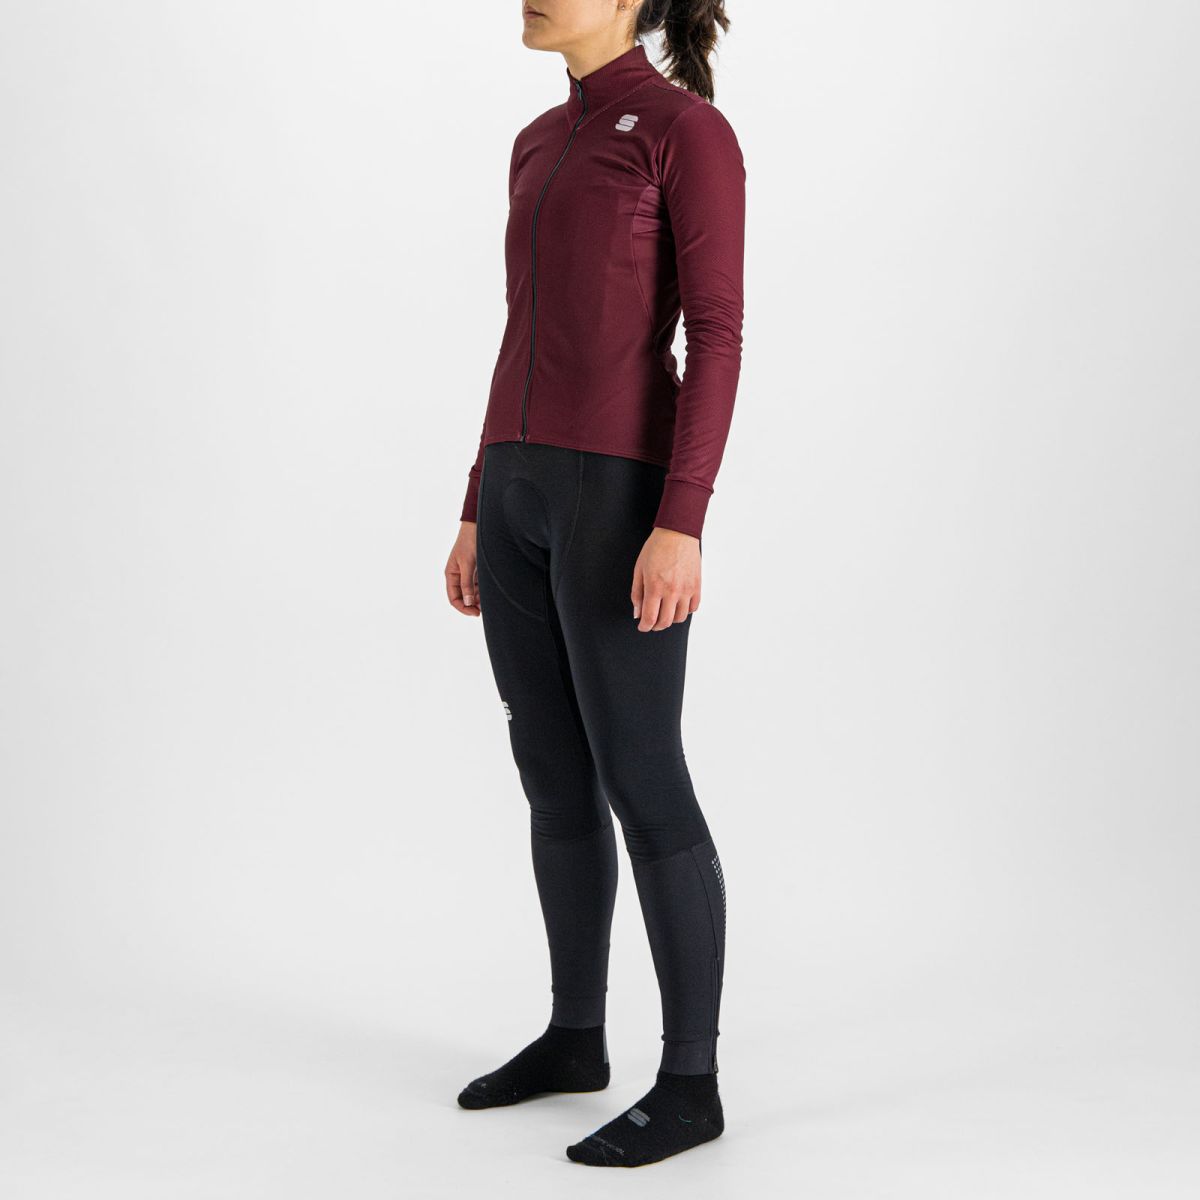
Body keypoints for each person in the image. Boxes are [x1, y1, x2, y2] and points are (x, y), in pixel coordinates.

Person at [443, 0, 744, 1168]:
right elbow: (520, 327)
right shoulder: (537, 140)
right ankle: (575, 1038)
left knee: (643, 778)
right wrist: (478, 498)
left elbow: (716, 333)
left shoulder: (684, 131)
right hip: (520, 491)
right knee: (552, 774)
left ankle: (692, 1084)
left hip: (617, 498)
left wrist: (682, 520)